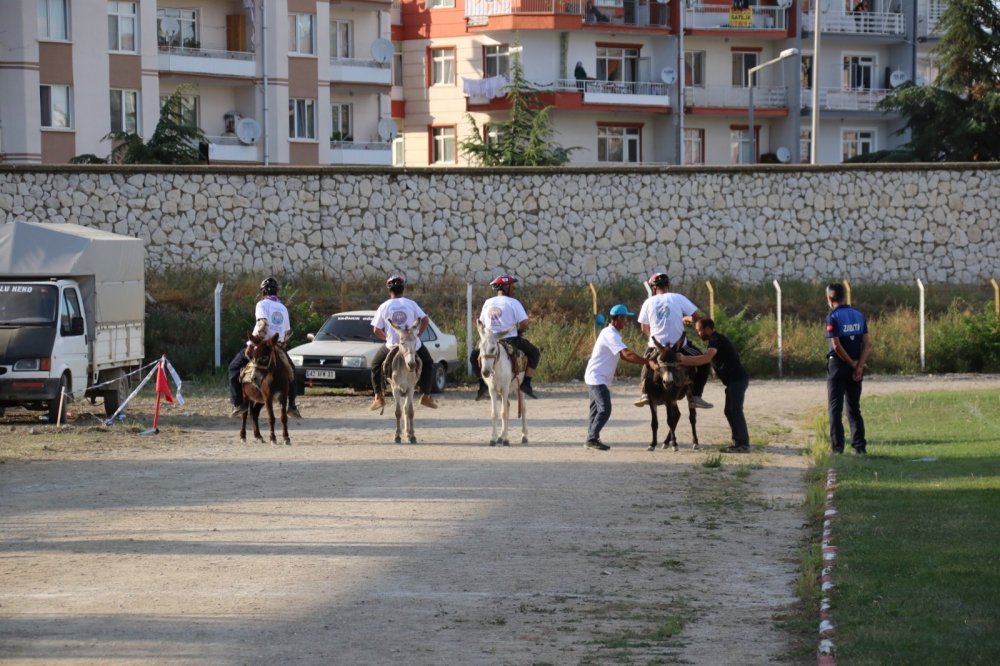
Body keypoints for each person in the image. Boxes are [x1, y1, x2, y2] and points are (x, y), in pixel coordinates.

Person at [584, 304, 657, 451]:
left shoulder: (613, 334)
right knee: (605, 409)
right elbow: (626, 354)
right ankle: (592, 438)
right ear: (617, 318)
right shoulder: (610, 334)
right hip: (596, 377)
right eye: (625, 318)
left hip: (596, 377)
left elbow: (623, 356)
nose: (627, 321)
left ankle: (591, 438)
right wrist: (647, 362)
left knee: (596, 409)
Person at [634, 273, 713, 409]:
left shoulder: (648, 302)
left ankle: (644, 393)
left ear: (653, 288)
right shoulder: (678, 297)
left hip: (656, 347)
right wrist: (686, 319)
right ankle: (695, 396)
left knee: (647, 362)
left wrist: (653, 339)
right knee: (704, 362)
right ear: (668, 285)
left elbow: (643, 328)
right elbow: (697, 317)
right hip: (679, 346)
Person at [228, 276, 302, 418]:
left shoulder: (262, 305)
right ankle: (292, 405)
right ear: (277, 292)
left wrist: (251, 345)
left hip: (262, 345)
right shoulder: (283, 308)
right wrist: (279, 346)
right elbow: (287, 333)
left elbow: (263, 326)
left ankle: (238, 404)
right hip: (277, 346)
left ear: (263, 292)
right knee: (291, 372)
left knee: (233, 368)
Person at [678, 318, 750, 453]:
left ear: (708, 329)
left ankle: (744, 445)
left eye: (700, 330)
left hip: (737, 380)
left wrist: (684, 360)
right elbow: (699, 319)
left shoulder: (715, 340)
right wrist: (686, 319)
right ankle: (737, 442)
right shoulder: (715, 338)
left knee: (735, 410)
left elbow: (706, 358)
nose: (698, 333)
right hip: (733, 382)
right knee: (729, 411)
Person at [368, 275, 439, 412]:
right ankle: (425, 395)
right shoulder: (411, 304)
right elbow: (425, 320)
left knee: (375, 365)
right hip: (413, 345)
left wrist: (387, 338)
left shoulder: (384, 306)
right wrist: (417, 335)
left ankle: (378, 397)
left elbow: (376, 329)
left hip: (393, 345)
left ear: (389, 290)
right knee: (428, 363)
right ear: (403, 288)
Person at [471, 274, 541, 400]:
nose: (514, 289)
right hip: (510, 340)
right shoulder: (514, 302)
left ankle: (482, 385)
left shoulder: (488, 302)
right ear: (506, 288)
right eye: (512, 287)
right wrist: (519, 331)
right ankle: (526, 384)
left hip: (489, 340)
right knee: (535, 353)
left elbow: (481, 323)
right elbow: (525, 323)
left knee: (473, 356)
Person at [825, 282, 872, 455]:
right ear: (844, 296)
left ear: (829, 298)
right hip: (856, 367)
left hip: (838, 366)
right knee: (853, 407)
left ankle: (837, 449)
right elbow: (867, 345)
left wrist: (852, 364)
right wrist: (859, 365)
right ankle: (860, 446)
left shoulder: (833, 317)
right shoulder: (859, 315)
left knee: (835, 409)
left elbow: (836, 346)